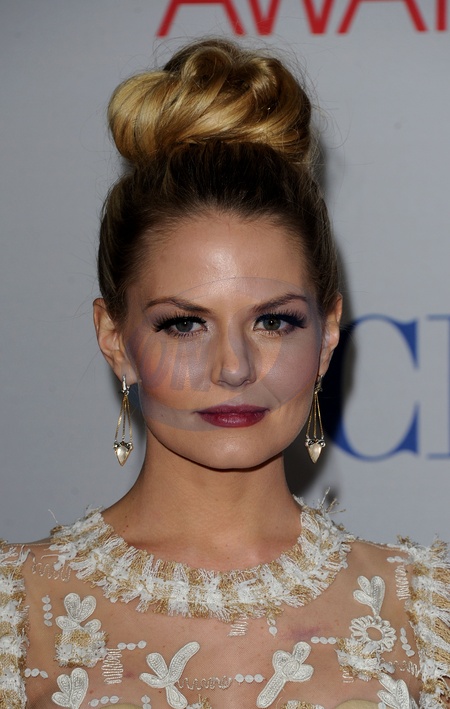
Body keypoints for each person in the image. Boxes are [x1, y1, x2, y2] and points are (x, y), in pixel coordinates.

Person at [0, 38, 449, 709]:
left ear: (327, 335)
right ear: (115, 340)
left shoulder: (428, 616)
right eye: (185, 324)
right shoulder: (15, 614)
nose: (234, 367)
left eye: (275, 322)